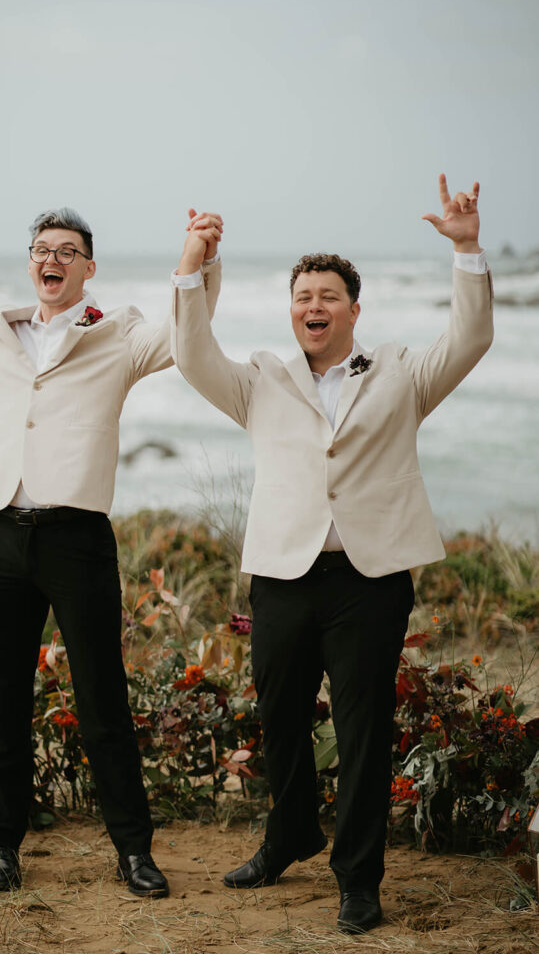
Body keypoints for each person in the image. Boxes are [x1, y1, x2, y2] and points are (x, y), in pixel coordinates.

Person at [0, 195, 222, 896]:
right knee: (5, 698)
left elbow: (187, 334)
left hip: (76, 538)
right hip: (0, 536)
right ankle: (1, 846)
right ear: (31, 265)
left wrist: (197, 261)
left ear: (88, 269)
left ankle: (133, 852)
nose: (50, 259)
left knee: (101, 698)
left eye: (65, 252)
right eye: (40, 250)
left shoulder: (120, 333)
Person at [170, 177, 492, 934]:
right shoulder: (258, 382)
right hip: (281, 576)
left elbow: (471, 338)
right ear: (291, 310)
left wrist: (467, 248)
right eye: (300, 297)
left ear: (353, 309)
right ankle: (288, 832)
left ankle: (357, 878)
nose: (311, 307)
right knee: (278, 720)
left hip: (369, 580)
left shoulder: (403, 376)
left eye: (326, 296)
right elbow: (189, 355)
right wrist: (192, 265)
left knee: (361, 731)